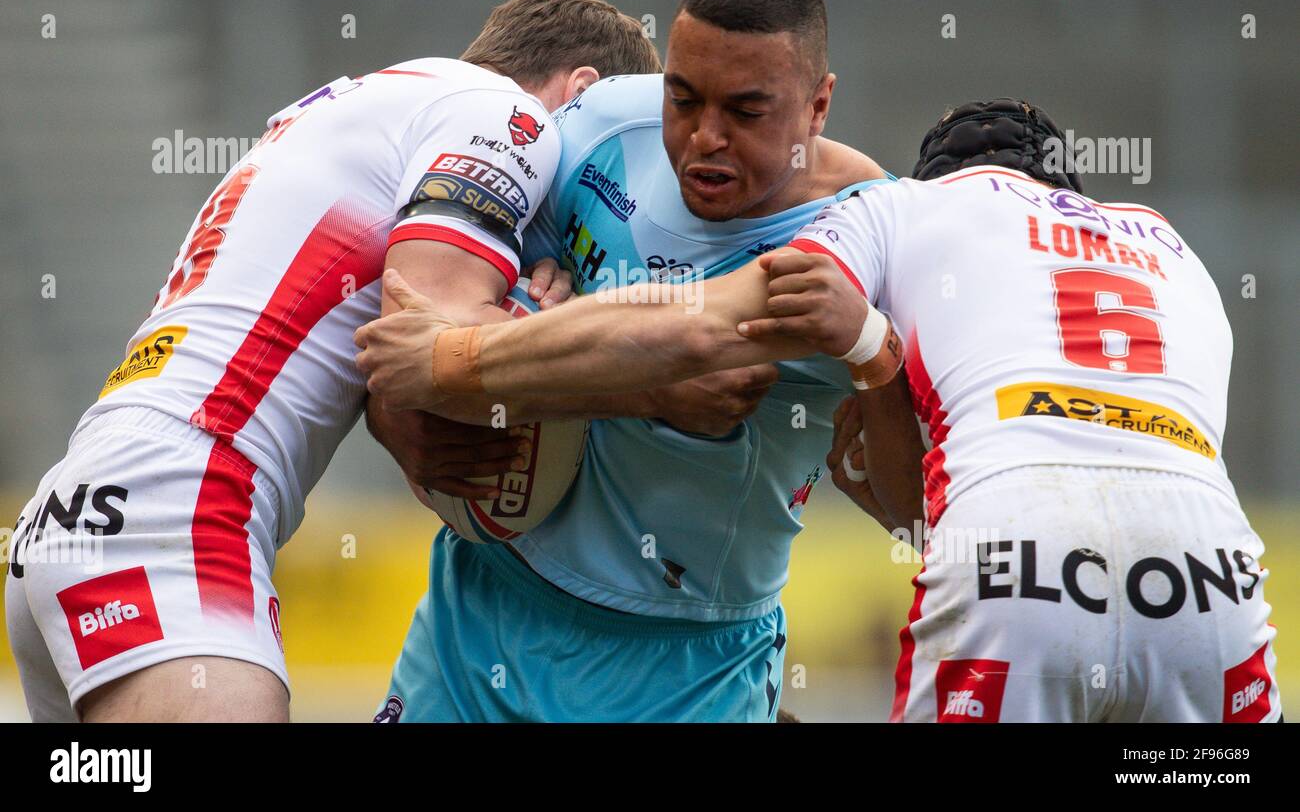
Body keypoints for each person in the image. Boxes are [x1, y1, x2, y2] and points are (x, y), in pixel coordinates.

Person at [358, 99, 1279, 723]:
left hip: (1013, 550)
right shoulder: (1171, 247)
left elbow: (718, 323)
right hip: (1213, 569)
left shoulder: (899, 211)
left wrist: (460, 358)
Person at [4, 0, 659, 722]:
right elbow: (434, 328)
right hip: (180, 509)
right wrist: (583, 330)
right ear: (584, 92)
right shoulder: (506, 118)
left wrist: (399, 411)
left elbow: (388, 346)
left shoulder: (363, 108)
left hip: (93, 501)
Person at [364, 0, 894, 722]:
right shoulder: (609, 121)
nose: (704, 137)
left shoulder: (865, 240)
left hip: (681, 669)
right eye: (684, 98)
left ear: (819, 107)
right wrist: (397, 422)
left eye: (747, 112)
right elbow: (431, 311)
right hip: (478, 607)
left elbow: (910, 480)